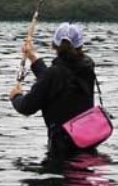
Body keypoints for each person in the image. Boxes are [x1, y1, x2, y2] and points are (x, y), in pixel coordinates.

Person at [7, 22, 100, 160]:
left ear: (53, 45)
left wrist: (16, 96)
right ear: (81, 46)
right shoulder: (87, 69)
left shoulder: (53, 75)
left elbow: (26, 107)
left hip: (61, 150)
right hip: (87, 144)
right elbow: (59, 81)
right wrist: (33, 58)